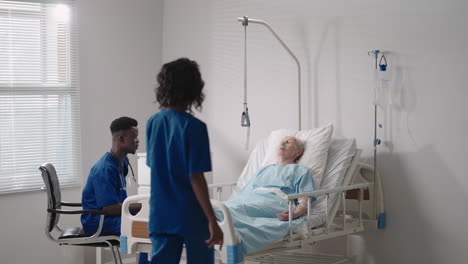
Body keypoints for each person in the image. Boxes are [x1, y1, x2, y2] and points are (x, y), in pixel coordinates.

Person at [146, 58, 223, 264]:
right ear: (194, 89)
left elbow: (154, 166)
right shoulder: (195, 127)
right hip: (190, 214)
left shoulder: (153, 123)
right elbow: (195, 177)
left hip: (161, 214)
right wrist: (212, 221)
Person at [219, 136, 315, 254]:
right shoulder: (264, 170)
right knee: (230, 206)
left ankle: (219, 226)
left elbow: (304, 200)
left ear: (298, 152)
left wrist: (295, 213)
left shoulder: (300, 170)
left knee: (227, 210)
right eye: (282, 142)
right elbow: (245, 193)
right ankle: (221, 227)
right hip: (251, 198)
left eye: (288, 142)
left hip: (274, 201)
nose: (283, 143)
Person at [81, 116, 141, 235]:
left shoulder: (122, 162)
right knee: (146, 227)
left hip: (111, 217)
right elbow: (110, 208)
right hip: (99, 222)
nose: (138, 140)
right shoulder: (104, 168)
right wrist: (143, 206)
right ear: (122, 139)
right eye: (134, 137)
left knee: (148, 222)